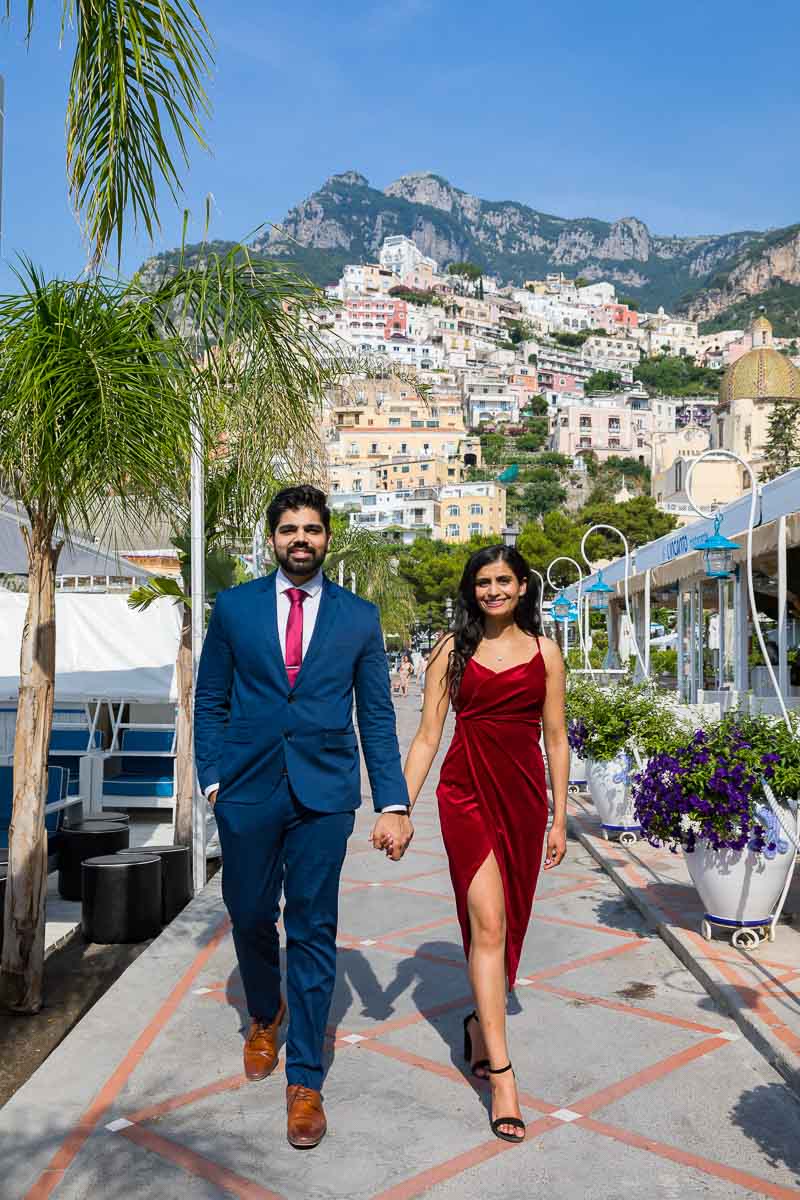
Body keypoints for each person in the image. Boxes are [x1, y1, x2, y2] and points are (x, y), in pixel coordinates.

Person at [194, 484, 413, 1150]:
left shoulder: (359, 617)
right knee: (252, 913)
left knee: (314, 928)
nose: (301, 539)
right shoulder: (233, 609)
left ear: (327, 538)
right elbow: (210, 701)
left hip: (324, 793)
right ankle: (265, 1012)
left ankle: (306, 1081)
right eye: (289, 529)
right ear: (272, 538)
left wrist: (393, 802)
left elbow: (376, 714)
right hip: (247, 790)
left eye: (312, 529)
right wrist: (212, 782)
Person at [398, 544, 568, 1144]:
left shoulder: (547, 654)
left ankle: (478, 1025)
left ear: (523, 586)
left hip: (524, 800)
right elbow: (425, 737)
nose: (493, 590)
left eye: (504, 580)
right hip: (465, 793)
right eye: (483, 582)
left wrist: (560, 817)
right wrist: (399, 808)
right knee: (489, 923)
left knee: (510, 924)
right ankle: (502, 1075)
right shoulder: (452, 649)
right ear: (471, 590)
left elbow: (556, 738)